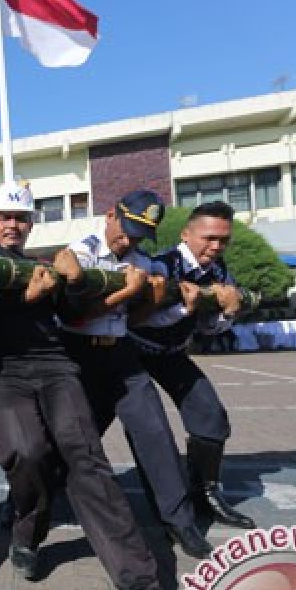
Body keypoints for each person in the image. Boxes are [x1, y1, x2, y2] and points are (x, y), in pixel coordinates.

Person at [0, 184, 174, 590]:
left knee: (87, 458)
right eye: (3, 216)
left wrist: (79, 282)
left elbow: (75, 316)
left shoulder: (45, 262)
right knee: (28, 453)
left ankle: (143, 582)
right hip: (4, 370)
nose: (12, 225)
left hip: (57, 365)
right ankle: (26, 533)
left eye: (21, 218)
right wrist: (22, 294)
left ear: (30, 225)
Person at [59, 190, 212, 559]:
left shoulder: (147, 263)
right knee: (66, 442)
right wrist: (127, 290)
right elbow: (74, 316)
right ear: (110, 214)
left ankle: (178, 520)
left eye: (140, 234)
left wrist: (159, 303)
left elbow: (135, 320)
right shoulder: (81, 254)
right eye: (126, 230)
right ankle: (24, 508)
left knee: (155, 431)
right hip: (79, 358)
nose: (128, 240)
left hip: (122, 356)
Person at [128, 201, 255, 529]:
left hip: (172, 354)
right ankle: (31, 498)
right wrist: (186, 308)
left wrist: (227, 312)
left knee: (210, 414)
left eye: (223, 240)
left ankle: (205, 494)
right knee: (87, 428)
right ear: (186, 234)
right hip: (129, 353)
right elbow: (139, 319)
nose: (215, 247)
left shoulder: (220, 271)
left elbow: (206, 329)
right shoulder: (159, 265)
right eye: (208, 238)